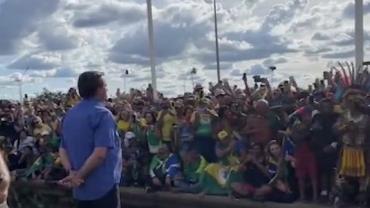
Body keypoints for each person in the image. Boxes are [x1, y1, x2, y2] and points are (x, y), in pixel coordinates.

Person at [59, 71, 122, 208]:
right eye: (105, 86)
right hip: (103, 188)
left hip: (80, 191)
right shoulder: (103, 114)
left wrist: (71, 172)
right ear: (98, 89)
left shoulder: (69, 115)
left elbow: (63, 149)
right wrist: (79, 176)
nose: (107, 89)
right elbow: (100, 154)